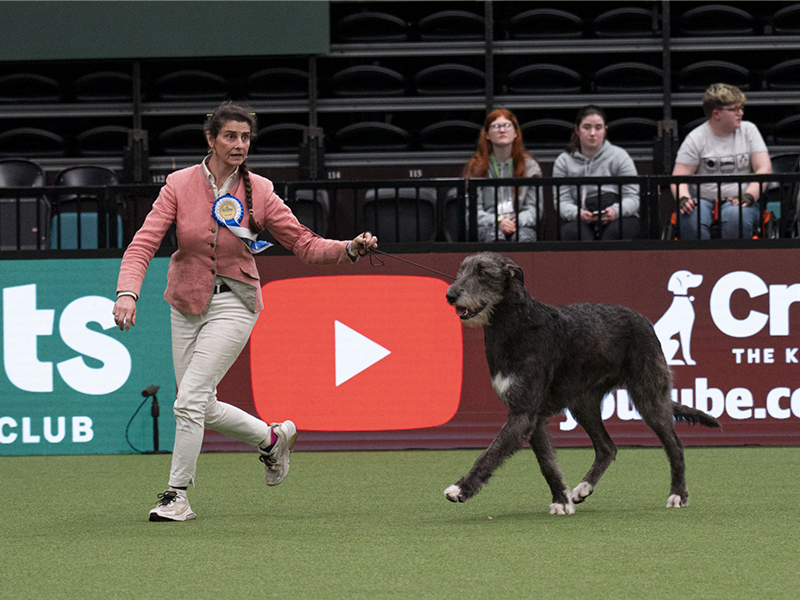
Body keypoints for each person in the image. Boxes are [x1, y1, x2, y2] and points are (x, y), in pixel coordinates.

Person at [113, 102, 378, 522]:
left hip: (235, 301)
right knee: (200, 402)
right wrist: (128, 291)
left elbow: (305, 244)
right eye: (230, 137)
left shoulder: (262, 190)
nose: (239, 145)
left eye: (245, 137)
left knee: (188, 401)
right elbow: (143, 242)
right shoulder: (178, 185)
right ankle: (272, 439)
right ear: (211, 139)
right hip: (184, 303)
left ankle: (176, 495)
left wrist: (348, 248)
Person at [672, 83, 772, 239]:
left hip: (740, 198)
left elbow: (764, 168)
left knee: (736, 217)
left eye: (741, 108)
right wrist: (683, 198)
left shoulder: (749, 130)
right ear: (716, 114)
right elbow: (679, 177)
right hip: (702, 200)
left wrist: (750, 195)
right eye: (734, 109)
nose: (740, 113)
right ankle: (698, 263)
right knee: (691, 219)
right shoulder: (695, 138)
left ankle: (736, 263)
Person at [553, 105, 640, 241]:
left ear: (605, 130)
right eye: (586, 127)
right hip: (581, 217)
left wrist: (616, 211)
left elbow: (633, 197)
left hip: (618, 215)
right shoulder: (563, 161)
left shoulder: (620, 156)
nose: (592, 133)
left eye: (598, 128)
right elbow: (562, 201)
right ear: (577, 130)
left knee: (616, 232)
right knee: (573, 233)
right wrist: (578, 214)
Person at [462, 108, 543, 242]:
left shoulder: (530, 166)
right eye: (496, 126)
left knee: (522, 238)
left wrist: (515, 222)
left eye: (507, 125)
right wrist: (497, 222)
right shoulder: (475, 167)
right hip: (487, 226)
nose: (502, 130)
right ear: (487, 134)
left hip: (519, 225)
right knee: (495, 238)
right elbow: (471, 212)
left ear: (516, 132)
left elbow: (534, 209)